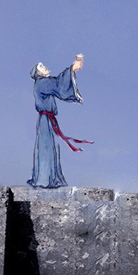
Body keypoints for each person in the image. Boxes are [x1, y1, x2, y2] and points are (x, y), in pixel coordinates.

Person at [27, 54, 93, 188]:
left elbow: (56, 83)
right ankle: (45, 179)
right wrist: (72, 69)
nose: (44, 67)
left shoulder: (42, 83)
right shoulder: (42, 83)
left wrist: (72, 70)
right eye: (41, 66)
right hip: (46, 120)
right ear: (38, 73)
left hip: (47, 120)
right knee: (47, 148)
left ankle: (47, 178)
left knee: (49, 147)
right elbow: (58, 84)